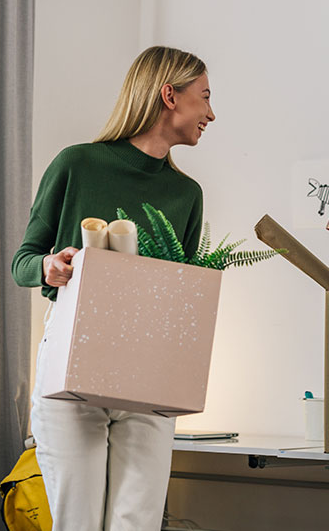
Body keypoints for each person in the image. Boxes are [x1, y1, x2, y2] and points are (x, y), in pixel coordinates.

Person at [11, 45, 214, 531]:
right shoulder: (77, 164)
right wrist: (50, 267)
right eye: (204, 96)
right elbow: (23, 261)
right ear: (170, 95)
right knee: (76, 519)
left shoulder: (188, 195)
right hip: (72, 355)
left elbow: (179, 292)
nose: (211, 112)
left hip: (149, 367)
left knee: (136, 522)